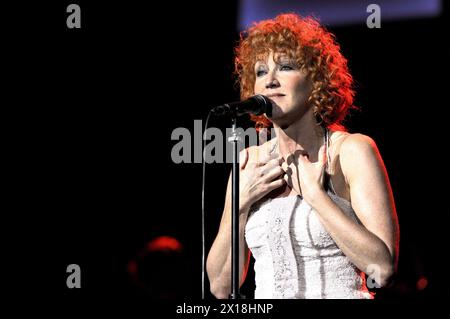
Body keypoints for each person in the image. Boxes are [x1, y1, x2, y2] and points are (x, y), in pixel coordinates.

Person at [206, 13, 399, 299]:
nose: (270, 81)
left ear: (316, 81)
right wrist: (239, 205)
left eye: (285, 67)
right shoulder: (249, 163)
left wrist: (315, 195)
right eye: (260, 72)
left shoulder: (350, 151)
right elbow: (221, 288)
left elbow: (382, 270)